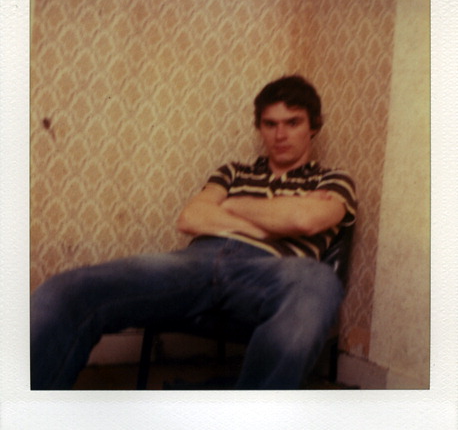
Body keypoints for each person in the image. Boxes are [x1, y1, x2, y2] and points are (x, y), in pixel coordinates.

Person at [30, 75, 357, 390]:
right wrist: (274, 222)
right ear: (260, 128)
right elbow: (190, 218)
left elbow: (305, 220)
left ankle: (253, 418)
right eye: (270, 124)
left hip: (273, 270)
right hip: (195, 262)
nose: (280, 134)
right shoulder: (234, 171)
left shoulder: (332, 180)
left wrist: (231, 204)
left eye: (293, 122)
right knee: (69, 287)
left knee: (319, 281)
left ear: (313, 126)